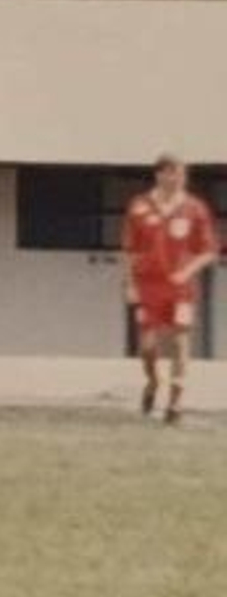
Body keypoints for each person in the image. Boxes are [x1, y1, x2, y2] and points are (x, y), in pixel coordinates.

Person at [121, 157, 220, 425]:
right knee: (148, 347)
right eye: (170, 174)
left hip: (179, 288)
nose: (176, 179)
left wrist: (187, 272)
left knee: (180, 339)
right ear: (159, 176)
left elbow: (209, 250)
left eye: (181, 175)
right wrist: (129, 284)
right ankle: (153, 382)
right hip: (147, 285)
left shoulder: (195, 208)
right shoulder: (140, 206)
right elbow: (129, 250)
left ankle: (176, 401)